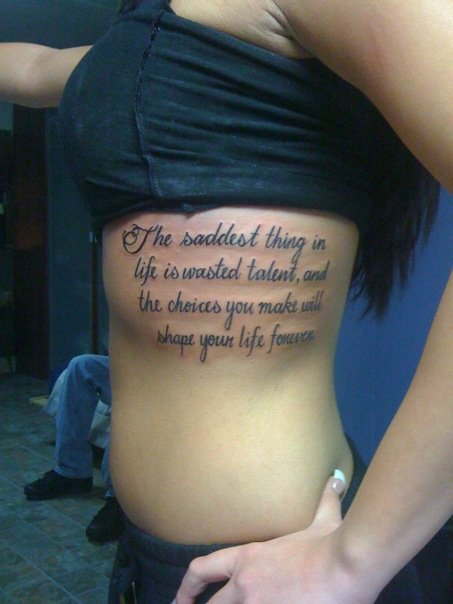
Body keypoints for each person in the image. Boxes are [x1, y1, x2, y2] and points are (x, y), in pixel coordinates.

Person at [0, 1, 452, 602]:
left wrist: (351, 563)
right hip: (145, 562)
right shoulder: (137, 42)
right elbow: (36, 69)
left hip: (276, 567)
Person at [24, 354, 125, 544]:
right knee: (80, 366)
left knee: (131, 391)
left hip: (168, 376)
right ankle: (71, 473)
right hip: (137, 361)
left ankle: (120, 499)